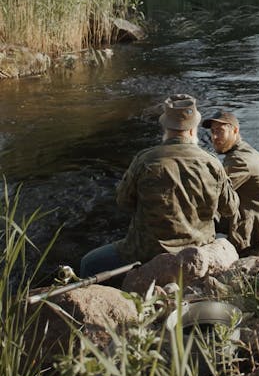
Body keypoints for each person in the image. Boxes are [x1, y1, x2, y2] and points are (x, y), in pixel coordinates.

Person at [79, 95, 239, 277]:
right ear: (193, 130)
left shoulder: (145, 160)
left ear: (166, 128)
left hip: (146, 252)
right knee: (222, 239)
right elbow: (230, 208)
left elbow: (123, 202)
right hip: (196, 250)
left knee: (88, 263)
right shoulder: (213, 163)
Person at [202, 109, 259, 256]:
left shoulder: (239, 160)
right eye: (213, 131)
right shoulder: (244, 151)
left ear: (235, 130)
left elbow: (213, 196)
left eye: (220, 131)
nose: (214, 137)